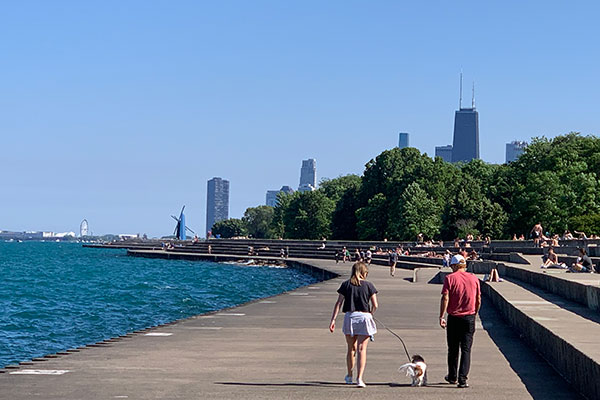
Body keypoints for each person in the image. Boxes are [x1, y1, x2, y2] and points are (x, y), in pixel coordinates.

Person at [329, 262, 378, 388]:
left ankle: (350, 375)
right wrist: (370, 314)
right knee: (362, 349)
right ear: (364, 273)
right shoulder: (369, 285)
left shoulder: (346, 284)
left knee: (351, 348)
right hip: (364, 317)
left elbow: (338, 303)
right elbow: (375, 305)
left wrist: (333, 320)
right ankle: (360, 378)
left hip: (350, 317)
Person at [439, 255, 481, 389]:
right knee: (466, 350)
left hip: (454, 317)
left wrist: (441, 316)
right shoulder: (474, 278)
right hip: (469, 317)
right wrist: (475, 313)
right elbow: (478, 298)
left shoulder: (449, 278)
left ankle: (452, 376)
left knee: (453, 349)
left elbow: (445, 297)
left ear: (454, 266)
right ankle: (463, 379)